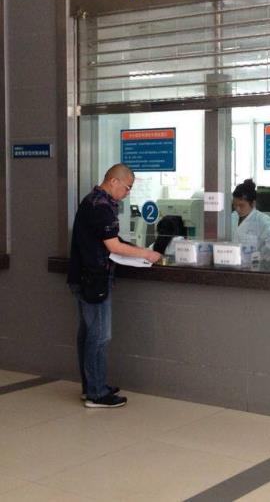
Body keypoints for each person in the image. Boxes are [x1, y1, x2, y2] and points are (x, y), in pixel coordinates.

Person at [67, 163, 161, 408]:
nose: (128, 193)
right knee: (99, 336)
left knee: (88, 334)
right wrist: (146, 254)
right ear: (113, 181)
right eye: (127, 187)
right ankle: (97, 393)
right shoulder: (101, 206)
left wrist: (133, 249)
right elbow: (113, 246)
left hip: (84, 277)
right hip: (93, 279)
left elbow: (110, 239)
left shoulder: (92, 201)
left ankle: (92, 386)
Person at [230, 178, 270, 261]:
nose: (237, 209)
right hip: (232, 263)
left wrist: (260, 256)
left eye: (241, 205)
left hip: (252, 265)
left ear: (253, 203)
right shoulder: (232, 217)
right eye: (235, 205)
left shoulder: (261, 219)